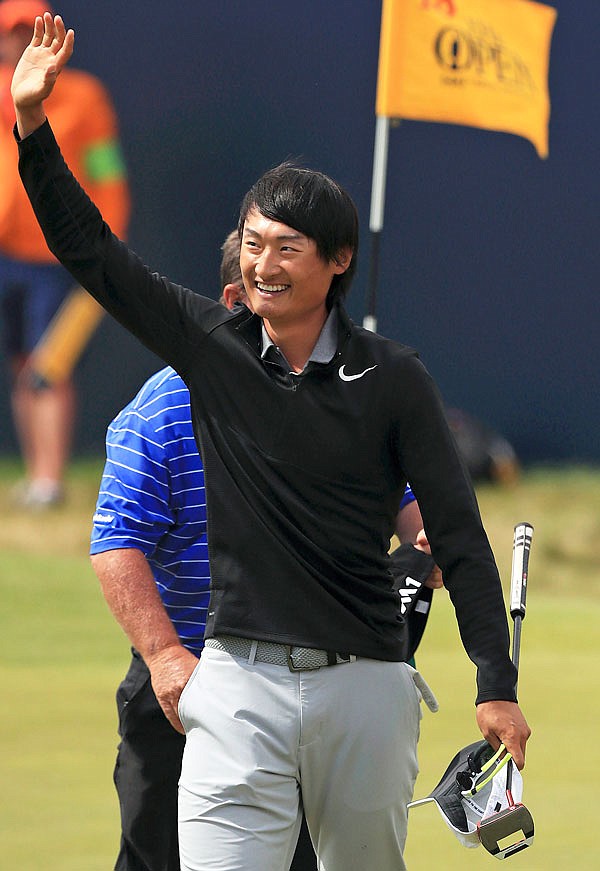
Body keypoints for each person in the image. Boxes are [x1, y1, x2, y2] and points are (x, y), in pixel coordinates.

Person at [12, 16, 530, 871]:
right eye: (253, 245)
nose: (263, 264)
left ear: (337, 263)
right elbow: (91, 252)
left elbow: (459, 535)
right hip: (237, 681)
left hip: (365, 683)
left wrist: (494, 681)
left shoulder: (396, 378)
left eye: (286, 248)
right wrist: (31, 126)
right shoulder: (210, 350)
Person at [90, 230, 433, 871]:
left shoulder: (327, 391)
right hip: (181, 674)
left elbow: (399, 496)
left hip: (299, 677)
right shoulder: (161, 409)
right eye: (269, 292)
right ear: (230, 300)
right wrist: (164, 656)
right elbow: (117, 541)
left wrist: (425, 530)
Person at [0, 0, 129, 508]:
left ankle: (50, 480)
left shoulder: (84, 97)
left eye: (26, 32)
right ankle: (37, 474)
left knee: (47, 366)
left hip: (56, 255)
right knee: (20, 363)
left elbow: (107, 171)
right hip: (4, 252)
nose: (16, 42)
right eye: (9, 33)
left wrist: (107, 246)